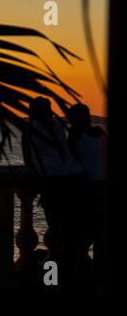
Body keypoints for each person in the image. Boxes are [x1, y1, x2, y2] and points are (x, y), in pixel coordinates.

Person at [22, 97, 85, 278]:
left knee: (56, 229)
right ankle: (67, 271)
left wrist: (42, 186)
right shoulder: (57, 124)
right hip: (75, 176)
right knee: (71, 230)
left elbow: (28, 158)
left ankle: (55, 276)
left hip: (54, 180)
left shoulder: (30, 127)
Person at [68, 103, 107, 281]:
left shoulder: (75, 135)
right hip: (103, 186)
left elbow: (67, 158)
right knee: (99, 232)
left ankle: (79, 273)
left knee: (84, 233)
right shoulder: (100, 132)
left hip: (88, 188)